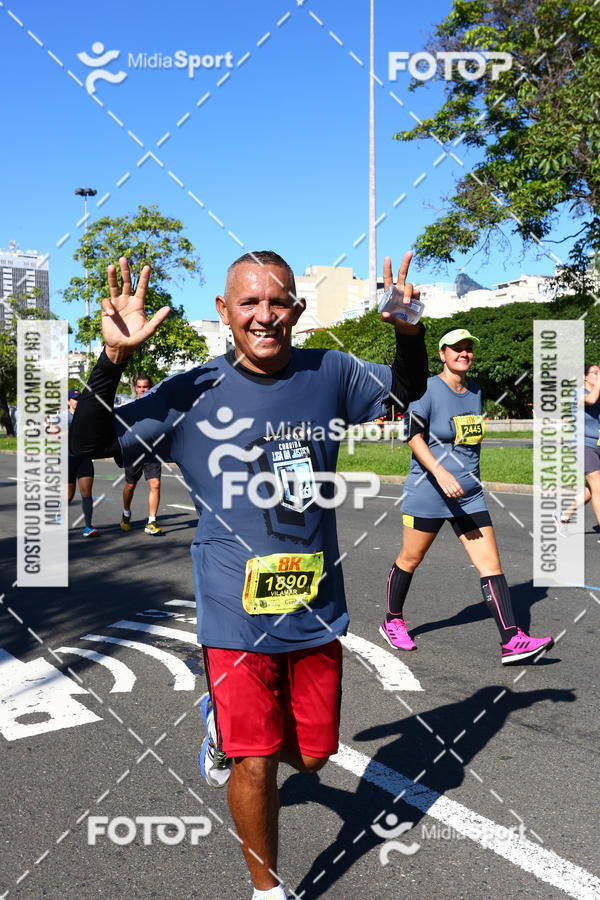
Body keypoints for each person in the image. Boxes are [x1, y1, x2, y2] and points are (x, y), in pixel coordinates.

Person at [70, 250, 428, 900]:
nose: (265, 315)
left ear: (295, 308)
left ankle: (216, 723)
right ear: (224, 312)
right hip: (232, 616)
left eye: (278, 301)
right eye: (249, 303)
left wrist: (410, 333)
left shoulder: (333, 371)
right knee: (255, 761)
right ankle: (267, 889)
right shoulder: (191, 392)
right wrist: (112, 361)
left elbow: (406, 395)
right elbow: (87, 442)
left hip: (315, 609)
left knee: (314, 757)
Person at [379, 328, 554, 665]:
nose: (463, 353)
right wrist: (441, 473)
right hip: (429, 493)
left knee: (491, 565)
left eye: (468, 349)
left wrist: (469, 479)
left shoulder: (475, 391)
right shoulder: (426, 387)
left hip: (469, 497)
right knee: (410, 559)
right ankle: (392, 619)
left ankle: (511, 641)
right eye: (456, 348)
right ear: (443, 353)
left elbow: (468, 442)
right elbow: (413, 435)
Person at [556, 363, 600, 540]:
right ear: (585, 376)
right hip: (583, 445)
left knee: (591, 490)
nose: (598, 376)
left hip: (597, 445)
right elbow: (591, 400)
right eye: (596, 373)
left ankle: (563, 516)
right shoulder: (578, 393)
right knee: (597, 487)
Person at [120, 374, 162, 535]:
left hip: (152, 451)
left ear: (150, 387)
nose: (142, 390)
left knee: (155, 484)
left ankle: (152, 521)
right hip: (134, 451)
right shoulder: (129, 407)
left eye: (145, 387)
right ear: (136, 388)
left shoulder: (158, 408)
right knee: (130, 485)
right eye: (140, 387)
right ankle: (126, 513)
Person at [67, 389, 98, 538]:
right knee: (68, 496)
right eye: (74, 399)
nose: (77, 401)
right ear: (69, 401)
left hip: (84, 458)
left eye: (79, 399)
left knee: (87, 493)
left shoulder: (86, 416)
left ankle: (88, 526)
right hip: (68, 459)